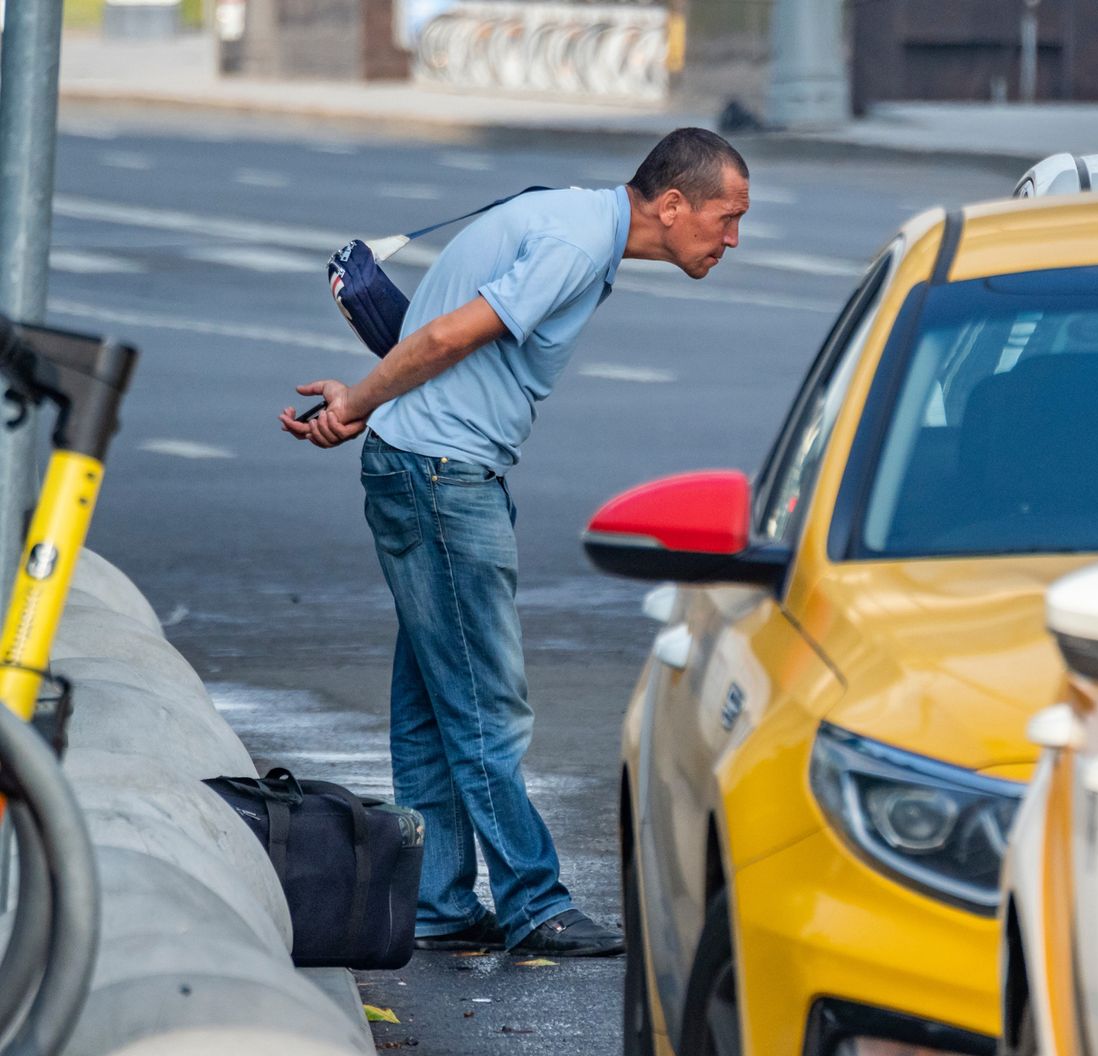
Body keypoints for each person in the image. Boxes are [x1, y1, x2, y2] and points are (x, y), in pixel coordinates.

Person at [279, 128, 750, 957]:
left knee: (433, 705)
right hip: (442, 482)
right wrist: (358, 406)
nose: (733, 238)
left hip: (431, 467)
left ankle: (436, 903)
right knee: (486, 707)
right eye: (727, 216)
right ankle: (535, 900)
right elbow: (441, 339)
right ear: (672, 205)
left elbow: (440, 345)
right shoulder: (574, 242)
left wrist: (373, 410)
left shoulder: (571, 218)